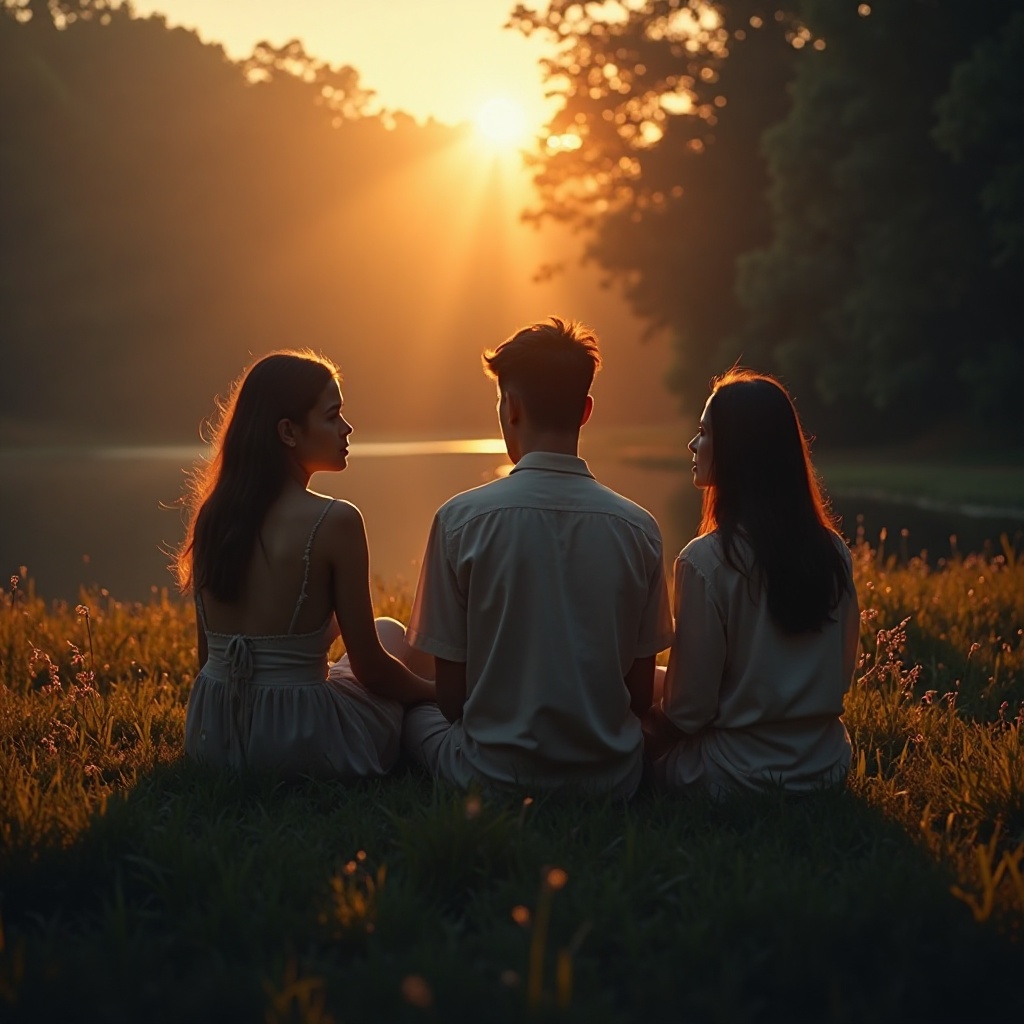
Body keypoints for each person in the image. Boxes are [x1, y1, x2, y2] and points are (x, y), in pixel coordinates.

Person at [402, 317, 674, 798]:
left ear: (512, 409)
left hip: (489, 777)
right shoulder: (639, 529)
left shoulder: (459, 521)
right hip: (613, 780)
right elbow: (635, 695)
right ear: (586, 411)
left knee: (410, 712)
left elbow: (450, 701)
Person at [175, 350, 434, 779]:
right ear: (289, 432)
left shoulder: (213, 516)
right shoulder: (336, 520)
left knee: (385, 627)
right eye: (333, 416)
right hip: (300, 741)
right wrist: (434, 693)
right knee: (392, 643)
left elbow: (210, 659)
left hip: (214, 735)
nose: (348, 428)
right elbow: (372, 671)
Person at [645, 367, 860, 796]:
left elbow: (689, 711)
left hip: (735, 775)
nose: (693, 443)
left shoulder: (704, 561)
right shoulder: (833, 551)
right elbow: (841, 677)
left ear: (735, 450)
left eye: (704, 433)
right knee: (645, 676)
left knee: (626, 693)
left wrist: (638, 739)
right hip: (826, 767)